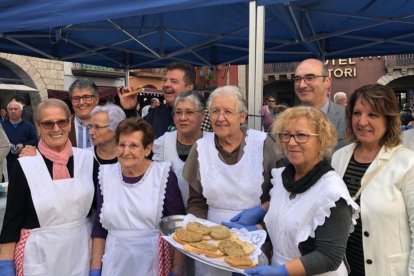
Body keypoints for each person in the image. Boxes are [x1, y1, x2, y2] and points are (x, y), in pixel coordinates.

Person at [243, 106, 358, 276]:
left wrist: (282, 271)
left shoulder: (332, 193)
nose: (291, 142)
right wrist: (255, 230)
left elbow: (329, 257)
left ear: (322, 141)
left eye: (301, 135)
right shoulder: (282, 178)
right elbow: (285, 226)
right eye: (286, 135)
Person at [183, 85, 280, 276]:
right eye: (215, 111)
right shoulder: (200, 149)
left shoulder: (263, 144)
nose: (220, 118)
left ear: (242, 116)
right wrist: (200, 233)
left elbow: (280, 194)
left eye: (227, 111)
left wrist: (261, 222)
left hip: (253, 236)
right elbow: (196, 201)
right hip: (211, 243)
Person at [0, 99, 97, 276]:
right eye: (47, 123)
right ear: (38, 127)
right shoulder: (25, 165)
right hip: (39, 257)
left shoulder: (87, 161)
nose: (56, 128)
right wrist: (5, 263)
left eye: (62, 121)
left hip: (81, 253)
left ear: (70, 123)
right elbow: (12, 220)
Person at [331, 84, 414, 276]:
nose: (362, 121)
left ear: (388, 119)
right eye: (357, 113)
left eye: (373, 115)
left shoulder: (406, 163)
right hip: (344, 270)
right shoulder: (339, 157)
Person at [90, 118, 186, 276]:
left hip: (151, 261)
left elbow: (178, 226)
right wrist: (95, 268)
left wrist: (177, 269)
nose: (126, 151)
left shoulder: (162, 174)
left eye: (134, 145)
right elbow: (100, 228)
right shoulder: (106, 175)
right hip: (114, 261)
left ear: (147, 149)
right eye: (121, 145)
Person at [153, 91, 205, 207]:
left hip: (205, 216)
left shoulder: (212, 143)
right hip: (170, 214)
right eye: (178, 112)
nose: (182, 118)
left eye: (189, 112)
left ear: (202, 116)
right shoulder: (163, 143)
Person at [294, 58, 346, 149]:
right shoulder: (283, 122)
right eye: (297, 79)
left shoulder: (349, 118)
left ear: (327, 82)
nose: (301, 85)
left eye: (310, 78)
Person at [1, 101, 37, 175]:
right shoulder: (1, 126)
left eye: (15, 109)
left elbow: (35, 141)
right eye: (10, 109)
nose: (13, 111)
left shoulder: (29, 126)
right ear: (7, 111)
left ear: (21, 111)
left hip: (24, 161)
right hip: (5, 162)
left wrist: (23, 145)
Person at [68, 78, 101, 148]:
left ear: (97, 99)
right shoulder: (63, 127)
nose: (81, 102)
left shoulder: (110, 127)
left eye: (86, 97)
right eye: (76, 98)